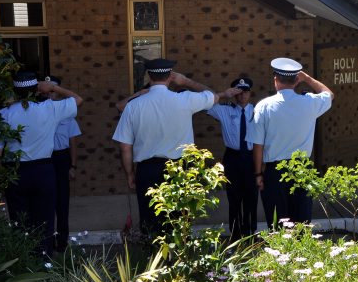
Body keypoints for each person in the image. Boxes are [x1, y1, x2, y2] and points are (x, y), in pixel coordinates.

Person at [112, 58, 240, 234]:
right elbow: (213, 96)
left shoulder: (134, 105)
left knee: (150, 223)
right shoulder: (185, 99)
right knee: (179, 224)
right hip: (179, 168)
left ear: (149, 76)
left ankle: (152, 251)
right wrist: (186, 82)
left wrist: (130, 174)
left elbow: (125, 147)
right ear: (170, 76)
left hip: (147, 169)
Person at [0, 71, 83, 255]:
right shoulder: (49, 108)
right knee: (44, 220)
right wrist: (53, 87)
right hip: (43, 170)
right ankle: (44, 260)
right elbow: (78, 99)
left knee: (19, 220)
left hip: (15, 171)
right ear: (37, 89)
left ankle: (22, 260)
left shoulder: (3, 114)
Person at [247, 58, 334, 228]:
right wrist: (307, 79)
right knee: (302, 223)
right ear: (296, 80)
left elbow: (258, 145)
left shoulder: (263, 106)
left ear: (275, 79)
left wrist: (258, 174)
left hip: (275, 172)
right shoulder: (310, 102)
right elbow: (329, 94)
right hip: (302, 169)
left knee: (278, 224)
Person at [207, 77, 257, 240]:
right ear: (233, 94)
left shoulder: (257, 110)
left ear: (250, 93)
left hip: (251, 157)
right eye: (238, 92)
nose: (242, 95)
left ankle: (250, 233)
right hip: (233, 157)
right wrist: (223, 94)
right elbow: (206, 103)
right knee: (234, 197)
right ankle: (235, 234)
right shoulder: (225, 110)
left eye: (245, 92)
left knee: (251, 197)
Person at [45, 76, 82, 252]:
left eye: (54, 90)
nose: (50, 93)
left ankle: (62, 241)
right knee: (45, 200)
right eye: (48, 90)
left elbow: (73, 143)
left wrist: (72, 166)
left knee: (62, 200)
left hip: (61, 158)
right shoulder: (39, 112)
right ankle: (46, 239)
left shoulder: (68, 116)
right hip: (44, 158)